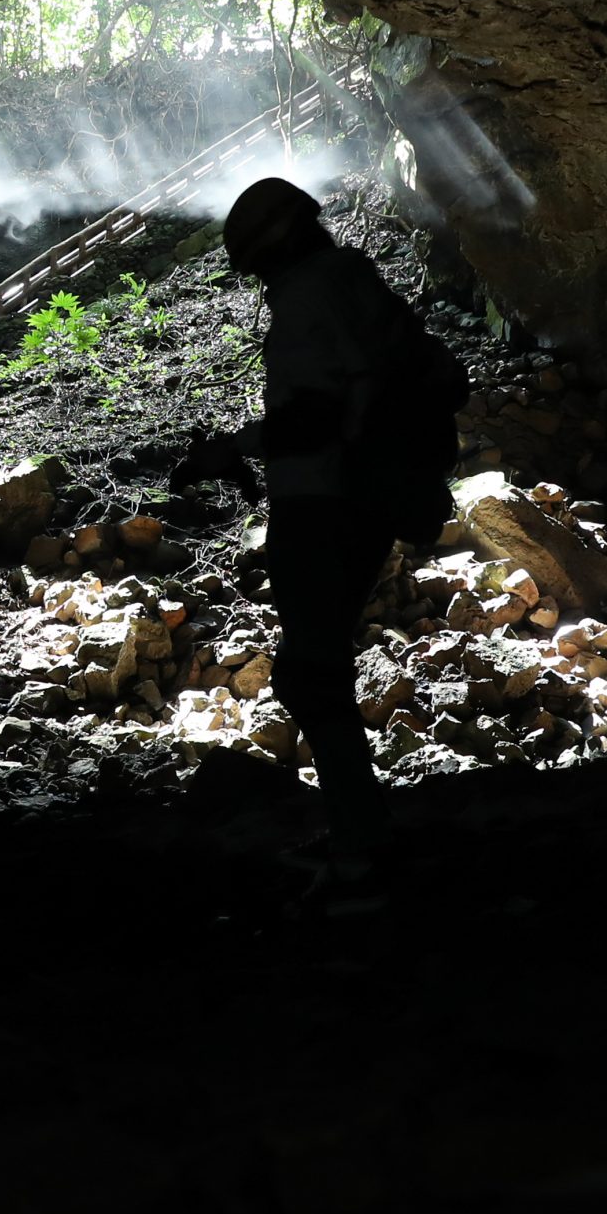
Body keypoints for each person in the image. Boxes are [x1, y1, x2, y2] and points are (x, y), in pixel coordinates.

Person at [172, 177, 467, 858]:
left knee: (310, 676)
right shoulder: (357, 288)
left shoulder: (309, 297)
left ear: (268, 252)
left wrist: (232, 448)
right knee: (319, 670)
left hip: (325, 506)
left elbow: (313, 415)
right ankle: (363, 835)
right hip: (366, 501)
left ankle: (364, 849)